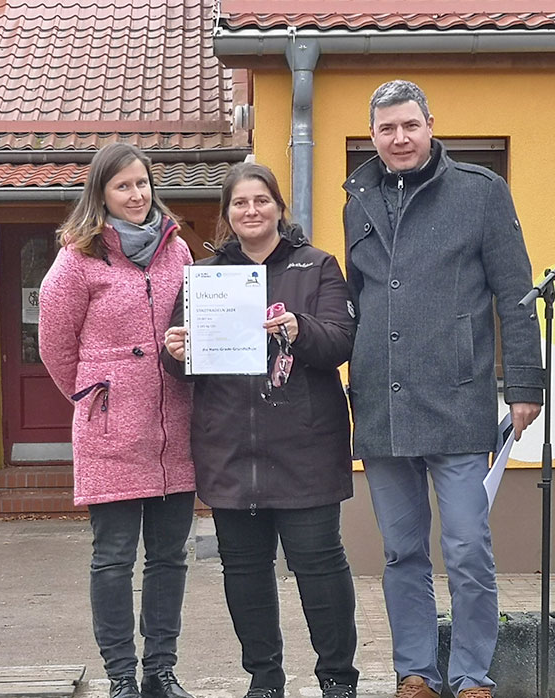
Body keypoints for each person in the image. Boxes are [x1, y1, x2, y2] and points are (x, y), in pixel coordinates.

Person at [342, 79, 544, 698]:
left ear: (431, 125)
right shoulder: (358, 198)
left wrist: (525, 383)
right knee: (402, 553)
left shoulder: (481, 193)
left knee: (466, 548)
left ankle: (473, 675)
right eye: (386, 129)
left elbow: (515, 293)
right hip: (382, 402)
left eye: (409, 125)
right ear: (373, 136)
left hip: (458, 399)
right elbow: (357, 297)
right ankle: (416, 673)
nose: (399, 138)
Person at [161, 162, 359, 698]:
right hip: (230, 450)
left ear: (278, 206)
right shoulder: (205, 277)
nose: (252, 211)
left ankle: (338, 679)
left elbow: (342, 341)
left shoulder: (316, 266)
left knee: (319, 569)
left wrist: (302, 329)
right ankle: (265, 681)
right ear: (227, 214)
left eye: (261, 200)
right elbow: (185, 361)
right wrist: (175, 352)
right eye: (240, 203)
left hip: (305, 449)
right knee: (245, 574)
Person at [39, 143, 197, 698]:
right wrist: (95, 396)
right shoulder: (78, 258)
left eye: (142, 183)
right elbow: (54, 346)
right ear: (101, 194)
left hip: (175, 430)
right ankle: (122, 677)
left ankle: (160, 670)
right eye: (123, 186)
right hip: (110, 433)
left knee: (170, 558)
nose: (137, 195)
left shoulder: (179, 254)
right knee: (112, 560)